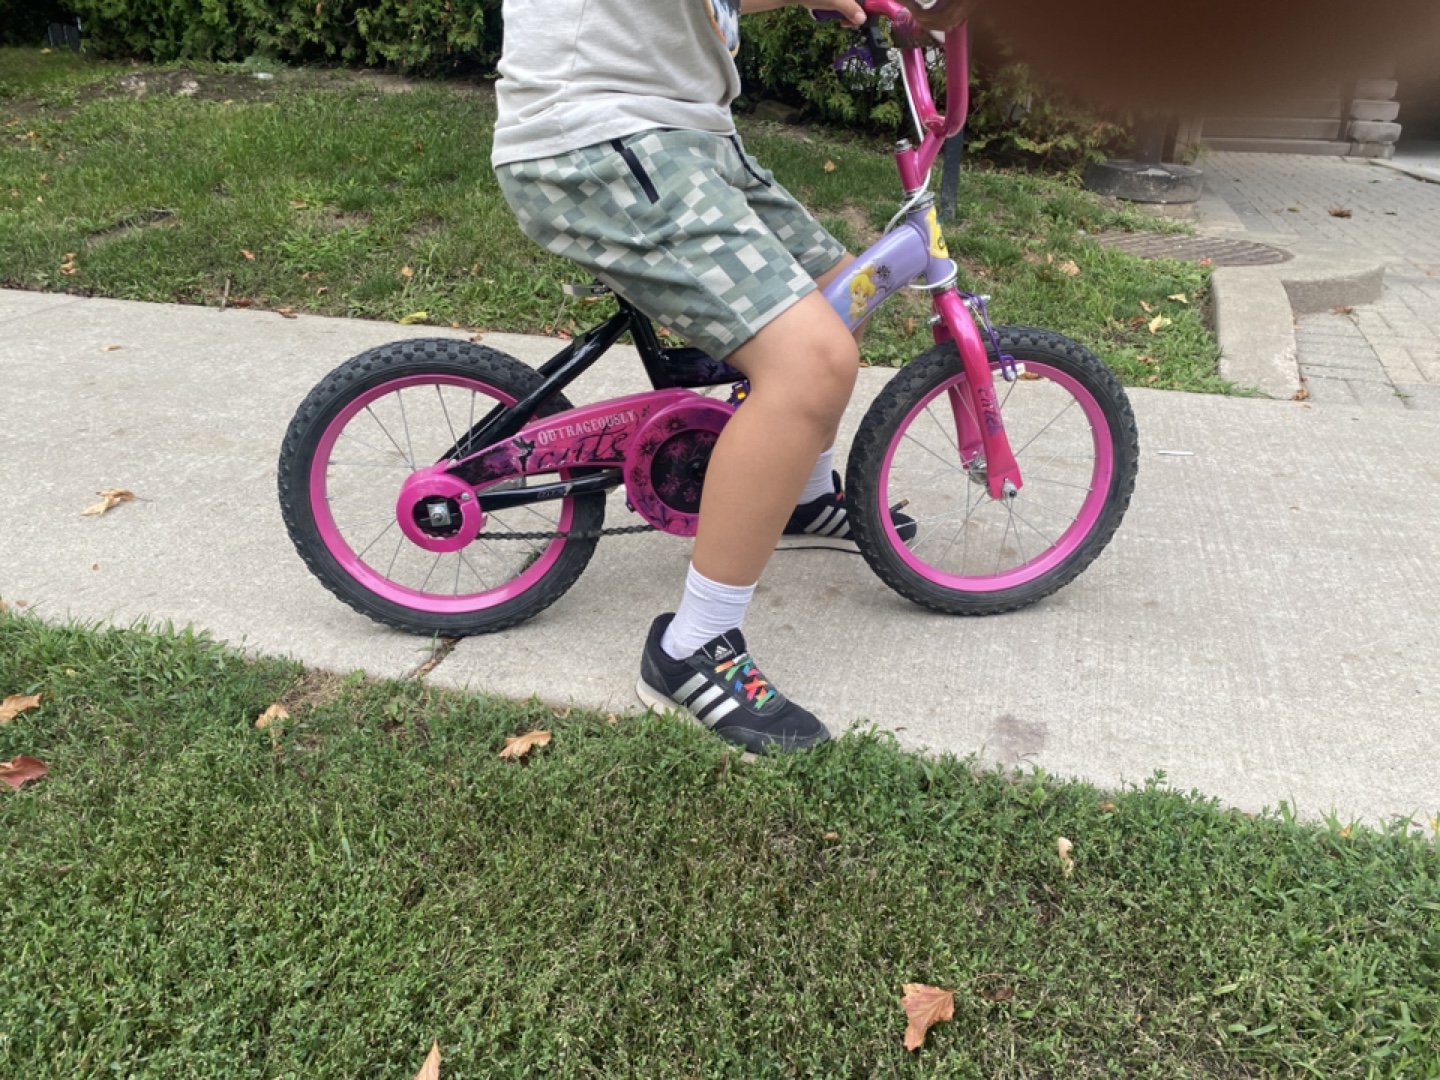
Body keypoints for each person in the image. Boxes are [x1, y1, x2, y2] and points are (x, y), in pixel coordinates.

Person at [492, 0, 976, 754]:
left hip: (686, 137)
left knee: (844, 293)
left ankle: (797, 497)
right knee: (811, 362)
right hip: (602, 136)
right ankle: (694, 644)